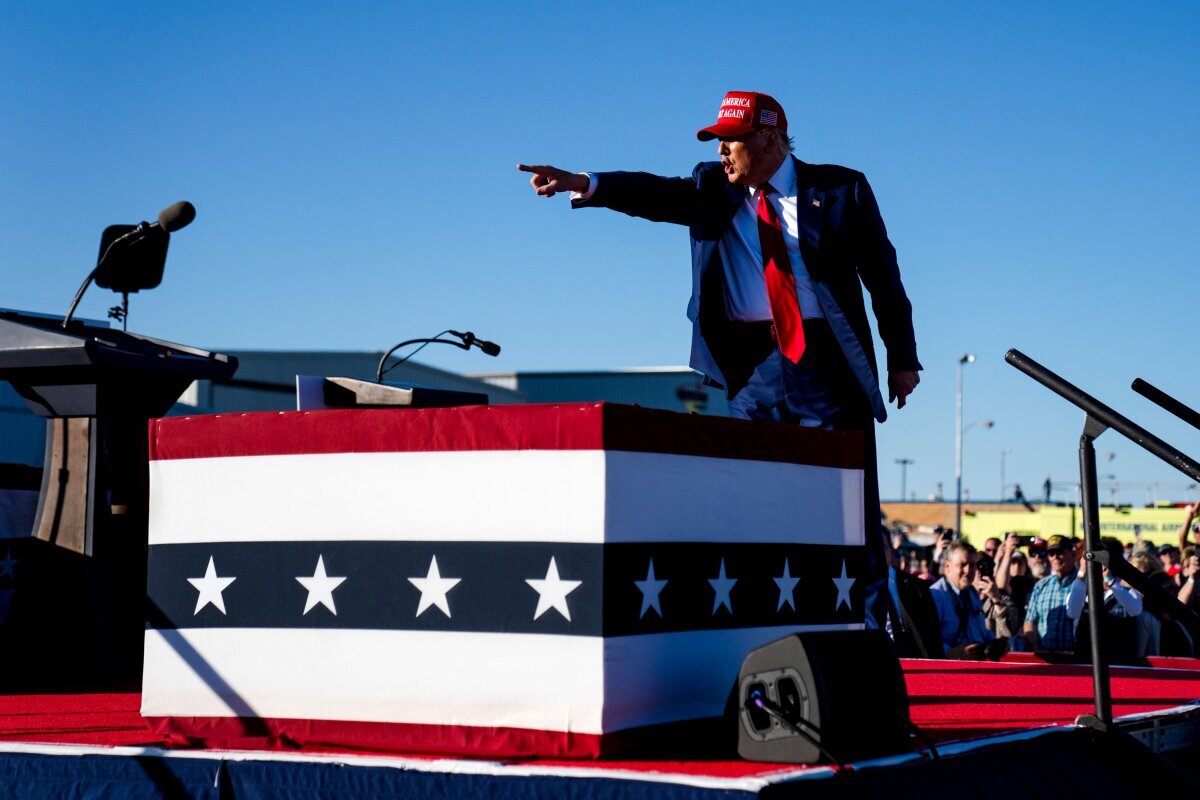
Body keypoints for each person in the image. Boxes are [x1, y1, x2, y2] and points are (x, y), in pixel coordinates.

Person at [519, 91, 921, 629]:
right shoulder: (711, 185)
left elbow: (883, 276)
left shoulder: (840, 188)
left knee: (847, 506)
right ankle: (764, 633)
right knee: (754, 505)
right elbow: (654, 194)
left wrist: (902, 358)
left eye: (731, 140)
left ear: (770, 139)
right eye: (717, 142)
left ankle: (869, 638)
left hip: (827, 366)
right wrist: (584, 182)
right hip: (752, 371)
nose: (721, 151)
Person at [929, 541, 1008, 659]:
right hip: (949, 668)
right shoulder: (936, 595)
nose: (968, 570)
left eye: (972, 565)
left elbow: (983, 631)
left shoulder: (971, 594)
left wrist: (994, 644)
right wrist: (952, 653)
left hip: (975, 666)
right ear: (947, 566)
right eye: (962, 565)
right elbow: (926, 641)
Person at [1023, 535, 1081, 652]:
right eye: (1051, 554)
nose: (1055, 557)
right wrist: (1037, 648)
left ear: (1073, 554)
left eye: (1060, 552)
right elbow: (1029, 623)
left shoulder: (1084, 583)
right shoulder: (1041, 585)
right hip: (1046, 656)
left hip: (1076, 657)